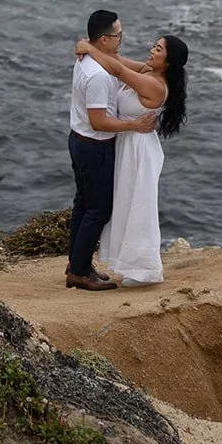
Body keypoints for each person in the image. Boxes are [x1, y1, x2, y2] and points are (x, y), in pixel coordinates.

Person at [73, 29, 188, 287]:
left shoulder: (155, 85)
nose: (152, 50)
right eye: (154, 46)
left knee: (139, 206)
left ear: (168, 62)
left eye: (158, 49)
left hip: (138, 149)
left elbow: (117, 70)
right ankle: (126, 264)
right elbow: (118, 60)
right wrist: (91, 45)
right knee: (125, 203)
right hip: (127, 143)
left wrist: (90, 49)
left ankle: (144, 270)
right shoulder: (148, 71)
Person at [67, 9, 158, 292]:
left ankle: (77, 263)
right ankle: (79, 273)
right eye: (119, 35)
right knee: (98, 210)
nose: (122, 39)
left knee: (83, 205)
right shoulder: (99, 75)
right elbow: (99, 121)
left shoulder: (91, 59)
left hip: (80, 141)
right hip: (94, 146)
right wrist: (135, 126)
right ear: (104, 40)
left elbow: (122, 66)